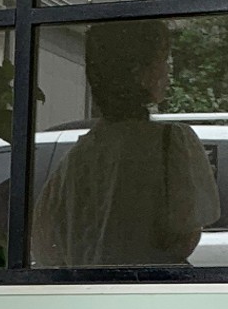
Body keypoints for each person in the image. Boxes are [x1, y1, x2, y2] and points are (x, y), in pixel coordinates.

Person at [32, 19, 220, 268]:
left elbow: (46, 247)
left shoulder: (78, 157)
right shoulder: (172, 143)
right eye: (163, 60)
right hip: (150, 287)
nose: (168, 70)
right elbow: (186, 234)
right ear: (140, 73)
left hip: (85, 289)